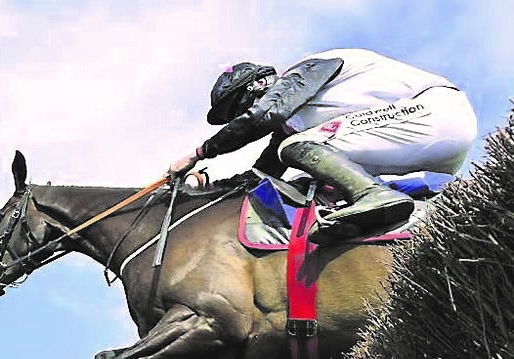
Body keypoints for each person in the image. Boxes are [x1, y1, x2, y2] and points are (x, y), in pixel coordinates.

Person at [167, 49, 477, 245]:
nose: (242, 118)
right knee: (300, 158)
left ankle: (373, 196)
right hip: (429, 144)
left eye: (240, 109)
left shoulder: (303, 72)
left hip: (434, 113)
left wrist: (197, 155)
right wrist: (202, 185)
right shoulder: (299, 122)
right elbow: (262, 174)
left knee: (296, 146)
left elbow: (263, 116)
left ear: (256, 85)